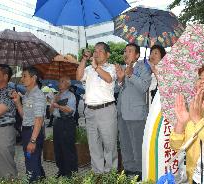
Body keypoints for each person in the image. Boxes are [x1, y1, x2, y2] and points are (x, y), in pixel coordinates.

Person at [76, 42, 118, 174]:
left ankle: (111, 175)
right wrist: (83, 59)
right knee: (94, 145)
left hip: (106, 110)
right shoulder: (88, 69)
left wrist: (96, 67)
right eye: (95, 50)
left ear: (108, 54)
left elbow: (109, 79)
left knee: (109, 145)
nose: (97, 53)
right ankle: (98, 173)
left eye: (100, 50)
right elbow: (78, 76)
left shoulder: (111, 67)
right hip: (90, 111)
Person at [115, 43, 152, 179]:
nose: (126, 53)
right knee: (125, 144)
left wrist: (130, 76)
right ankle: (129, 170)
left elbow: (144, 87)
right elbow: (116, 89)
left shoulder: (143, 68)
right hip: (122, 113)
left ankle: (140, 173)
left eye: (130, 51)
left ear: (137, 55)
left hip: (136, 114)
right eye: (125, 51)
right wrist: (120, 80)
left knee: (137, 145)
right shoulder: (122, 68)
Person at [12, 66, 46, 182]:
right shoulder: (27, 95)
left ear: (34, 78)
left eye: (24, 76)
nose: (22, 79)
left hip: (33, 133)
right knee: (32, 162)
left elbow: (38, 119)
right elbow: (24, 116)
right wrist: (17, 103)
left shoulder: (38, 95)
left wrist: (32, 140)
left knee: (32, 164)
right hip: (27, 131)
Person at [50, 76, 78, 177]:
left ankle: (70, 172)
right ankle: (61, 170)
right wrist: (53, 102)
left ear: (67, 84)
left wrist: (59, 106)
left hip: (67, 123)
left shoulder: (71, 96)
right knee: (57, 147)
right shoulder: (56, 95)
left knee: (68, 147)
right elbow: (50, 112)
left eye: (62, 81)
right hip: (57, 123)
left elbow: (71, 111)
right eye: (59, 81)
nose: (59, 83)